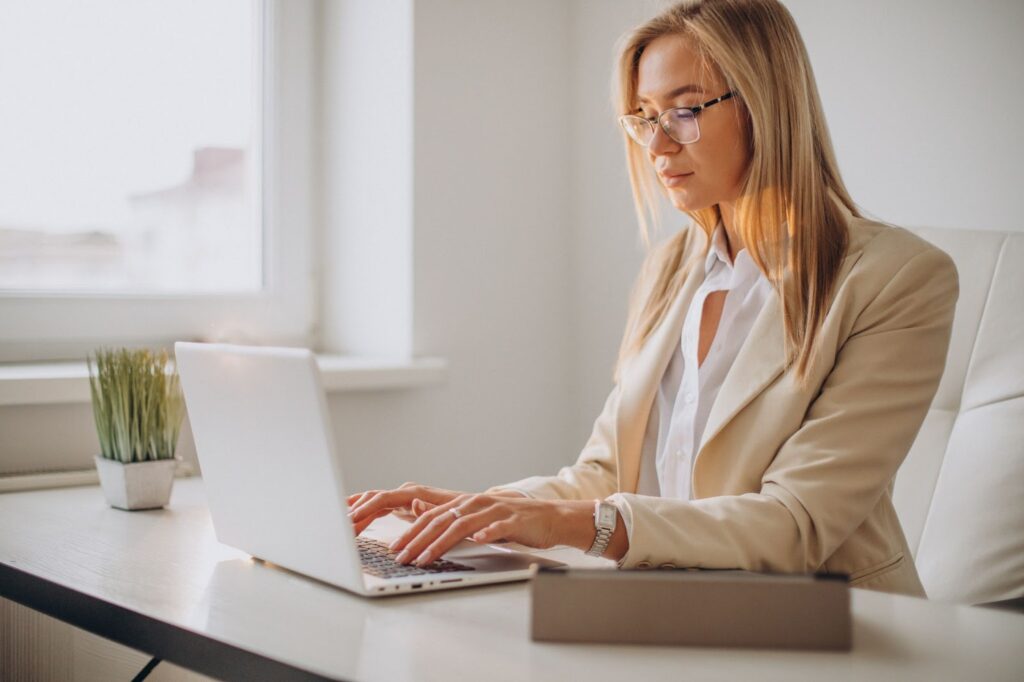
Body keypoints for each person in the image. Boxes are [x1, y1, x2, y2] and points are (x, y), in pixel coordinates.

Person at [347, 0, 958, 597]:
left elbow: (794, 523)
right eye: (643, 118)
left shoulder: (896, 279)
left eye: (684, 111)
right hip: (676, 611)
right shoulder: (670, 269)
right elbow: (607, 473)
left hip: (832, 627)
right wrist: (476, 510)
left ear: (767, 107)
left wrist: (575, 524)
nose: (657, 146)